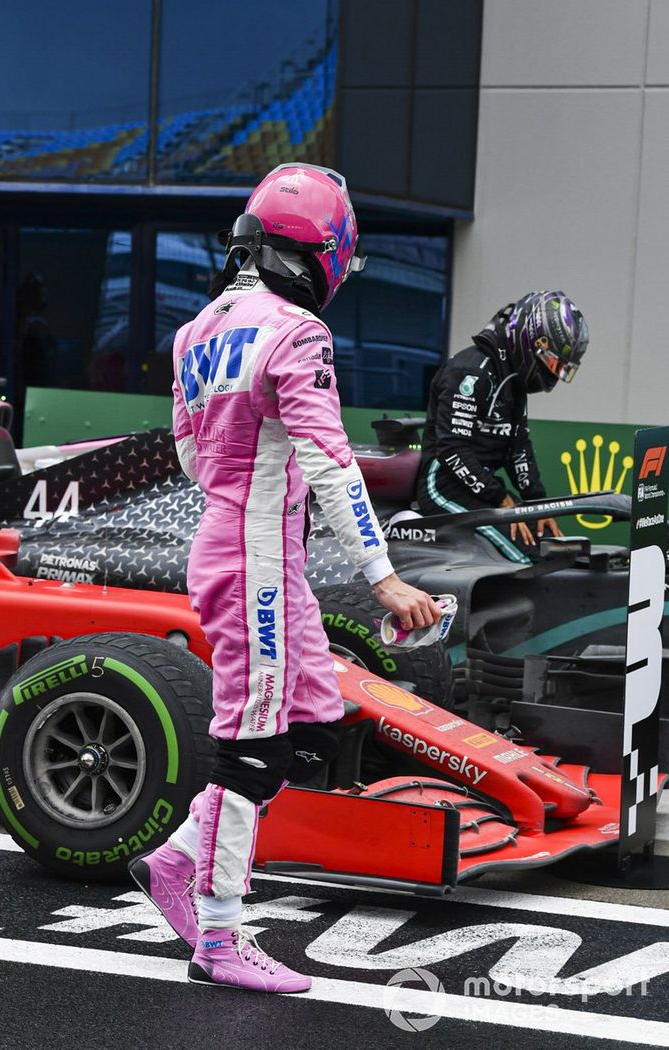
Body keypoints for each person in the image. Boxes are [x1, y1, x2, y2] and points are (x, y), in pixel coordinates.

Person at [130, 163, 441, 993]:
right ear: (320, 255)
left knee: (310, 719)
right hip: (261, 558)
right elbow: (331, 460)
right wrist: (383, 578)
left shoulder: (196, 330)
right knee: (253, 744)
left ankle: (177, 861)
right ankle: (222, 936)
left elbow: (193, 454)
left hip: (239, 545)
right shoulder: (299, 333)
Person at [415, 291, 589, 562]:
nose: (553, 374)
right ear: (532, 340)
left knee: (550, 550)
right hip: (443, 486)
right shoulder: (471, 371)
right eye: (553, 362)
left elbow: (518, 449)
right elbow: (452, 449)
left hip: (485, 490)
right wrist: (502, 499)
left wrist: (538, 506)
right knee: (521, 559)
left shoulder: (512, 379)